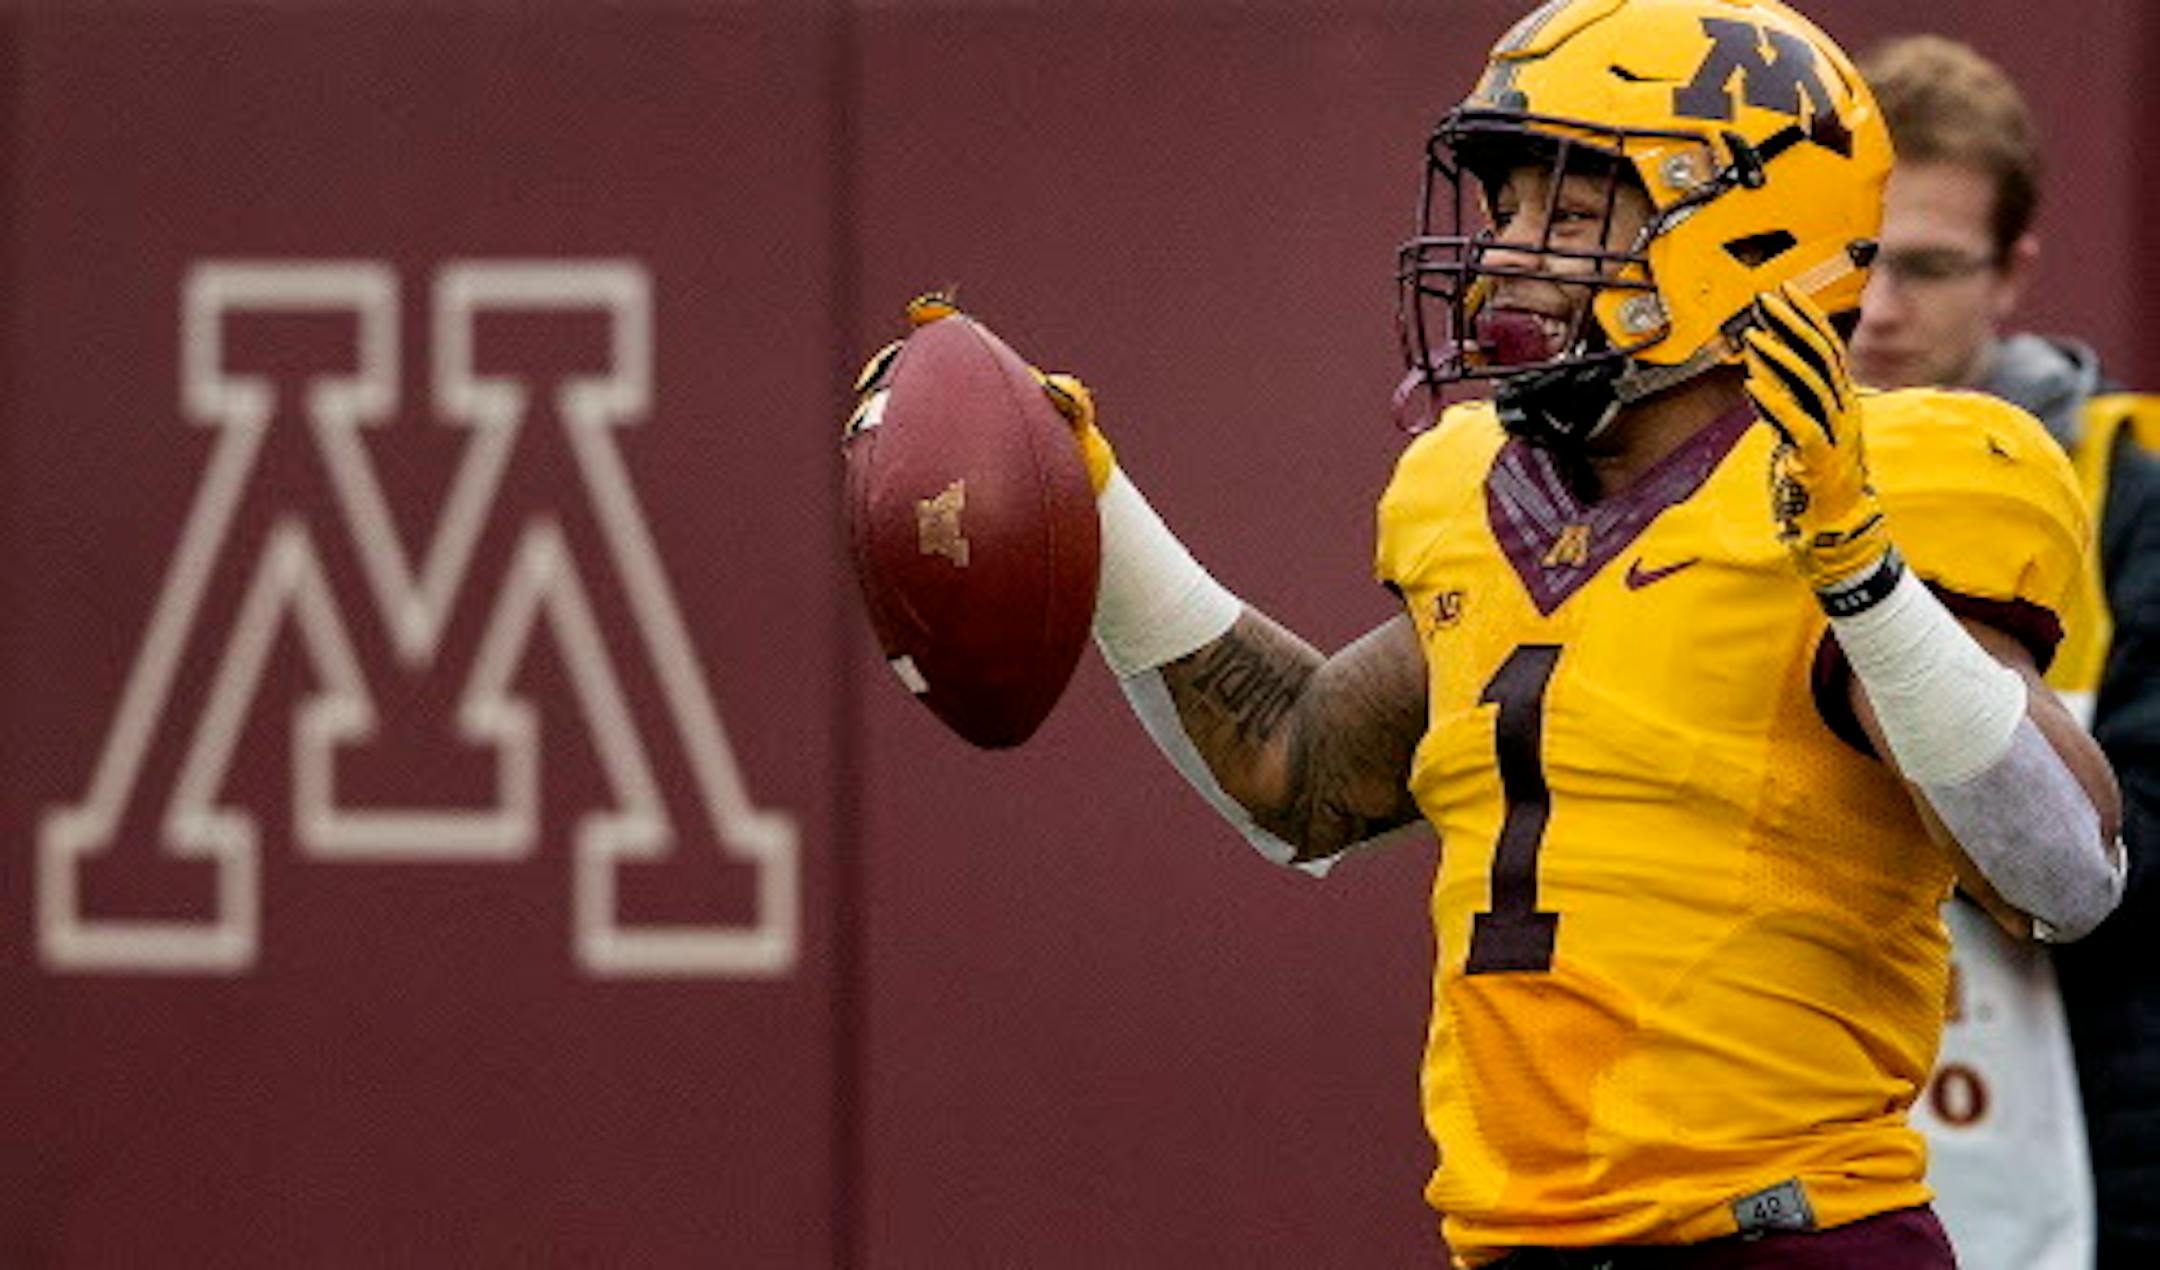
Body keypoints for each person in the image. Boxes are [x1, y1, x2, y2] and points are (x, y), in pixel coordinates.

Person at [850, 1, 2126, 1264]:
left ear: (1744, 231)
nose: (1509, 253)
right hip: (1521, 1243)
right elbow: (1297, 773)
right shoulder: (1483, 495)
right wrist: (1091, 499)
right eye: (1507, 209)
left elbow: (2067, 876)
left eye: (1570, 216)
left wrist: (1864, 575)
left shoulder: (1890, 476)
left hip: (1786, 1236)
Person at [1852, 34, 2160, 1267]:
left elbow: (2139, 858)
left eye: (1928, 267)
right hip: (1785, 1166)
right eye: (1857, 257)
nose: (1880, 309)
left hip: (2071, 1181)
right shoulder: (1706, 483)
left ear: (2012, 272)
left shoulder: (2126, 489)